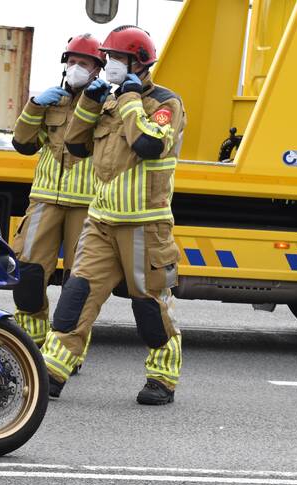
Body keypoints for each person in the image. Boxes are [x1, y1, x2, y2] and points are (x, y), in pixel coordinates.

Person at [40, 25, 186, 405]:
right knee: (77, 294)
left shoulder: (165, 104)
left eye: (118, 59)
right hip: (102, 220)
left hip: (144, 224)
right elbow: (75, 144)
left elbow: (149, 144)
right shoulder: (107, 100)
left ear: (139, 62)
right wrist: (89, 102)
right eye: (109, 59)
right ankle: (52, 370)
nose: (110, 65)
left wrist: (132, 99)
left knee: (150, 303)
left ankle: (162, 377)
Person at [9, 34, 104, 354]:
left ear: (97, 69)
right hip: (46, 199)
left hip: (88, 204)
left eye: (84, 63)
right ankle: (30, 341)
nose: (76, 67)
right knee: (28, 271)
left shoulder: (106, 103)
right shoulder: (50, 101)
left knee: (78, 283)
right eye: (72, 62)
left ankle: (67, 350)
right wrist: (34, 106)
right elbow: (23, 144)